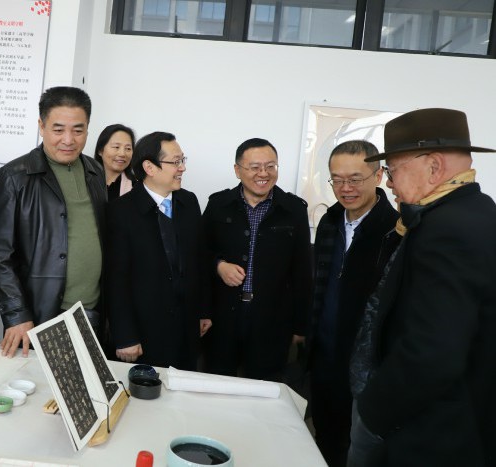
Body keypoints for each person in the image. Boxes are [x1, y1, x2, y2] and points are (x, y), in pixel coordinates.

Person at [348, 108, 496, 466]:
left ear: (433, 167)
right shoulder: (478, 212)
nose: (389, 183)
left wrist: (373, 414)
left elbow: (433, 352)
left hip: (432, 433)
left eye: (393, 171)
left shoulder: (447, 229)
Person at [0, 86, 107, 357]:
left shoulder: (95, 171)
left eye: (78, 130)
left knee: (85, 382)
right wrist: (17, 314)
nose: (68, 140)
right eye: (58, 129)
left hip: (91, 311)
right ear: (41, 126)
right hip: (41, 313)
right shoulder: (15, 176)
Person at [307, 140, 399, 467]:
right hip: (323, 355)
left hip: (365, 367)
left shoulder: (396, 231)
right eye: (337, 179)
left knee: (358, 448)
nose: (346, 188)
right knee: (323, 437)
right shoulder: (330, 221)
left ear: (378, 176)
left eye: (355, 179)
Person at [203, 138, 312, 382]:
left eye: (270, 166)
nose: (263, 173)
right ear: (237, 170)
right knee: (216, 383)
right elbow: (199, 254)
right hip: (223, 317)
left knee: (264, 388)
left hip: (272, 320)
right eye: (255, 167)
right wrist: (219, 265)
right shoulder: (219, 204)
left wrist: (300, 326)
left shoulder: (294, 209)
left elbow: (302, 270)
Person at [105, 131, 211, 369]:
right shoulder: (121, 211)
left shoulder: (189, 202)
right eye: (175, 162)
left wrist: (203, 311)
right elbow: (116, 280)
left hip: (187, 327)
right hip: (144, 331)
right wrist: (125, 335)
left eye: (182, 160)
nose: (182, 168)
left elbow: (199, 260)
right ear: (149, 167)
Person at [94, 123, 135, 201]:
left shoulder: (137, 188)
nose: (122, 154)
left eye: (128, 148)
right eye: (116, 147)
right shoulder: (85, 182)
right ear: (100, 150)